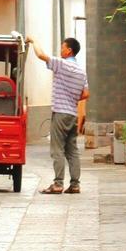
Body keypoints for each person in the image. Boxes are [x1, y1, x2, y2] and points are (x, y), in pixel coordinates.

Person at [31, 36, 88, 194]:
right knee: (72, 150)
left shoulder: (62, 64)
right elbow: (86, 93)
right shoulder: (81, 71)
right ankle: (75, 184)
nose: (61, 50)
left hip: (60, 113)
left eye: (62, 47)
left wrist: (33, 40)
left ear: (69, 50)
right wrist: (72, 97)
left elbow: (41, 55)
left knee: (57, 149)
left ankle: (58, 184)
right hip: (72, 115)